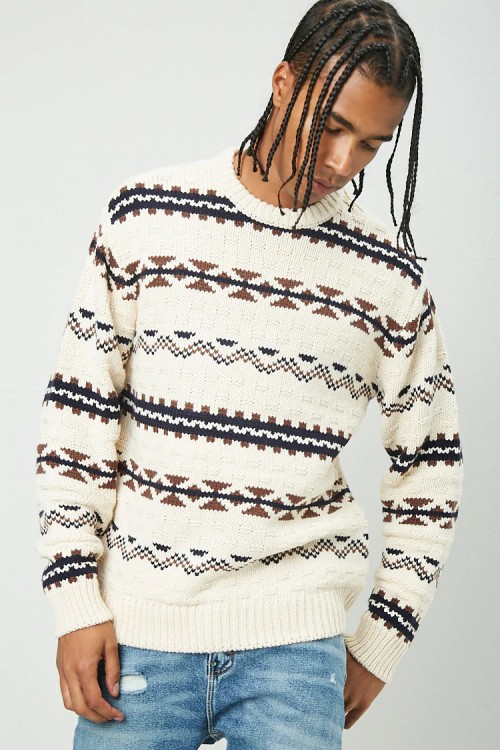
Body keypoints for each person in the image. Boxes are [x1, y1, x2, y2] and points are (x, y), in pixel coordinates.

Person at [34, 1, 464, 748]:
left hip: (295, 648)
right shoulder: (147, 218)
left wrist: (381, 640)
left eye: (371, 143)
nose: (343, 162)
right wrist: (75, 599)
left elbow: (430, 462)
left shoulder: (387, 275)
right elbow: (79, 416)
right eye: (332, 126)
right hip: (139, 634)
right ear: (282, 83)